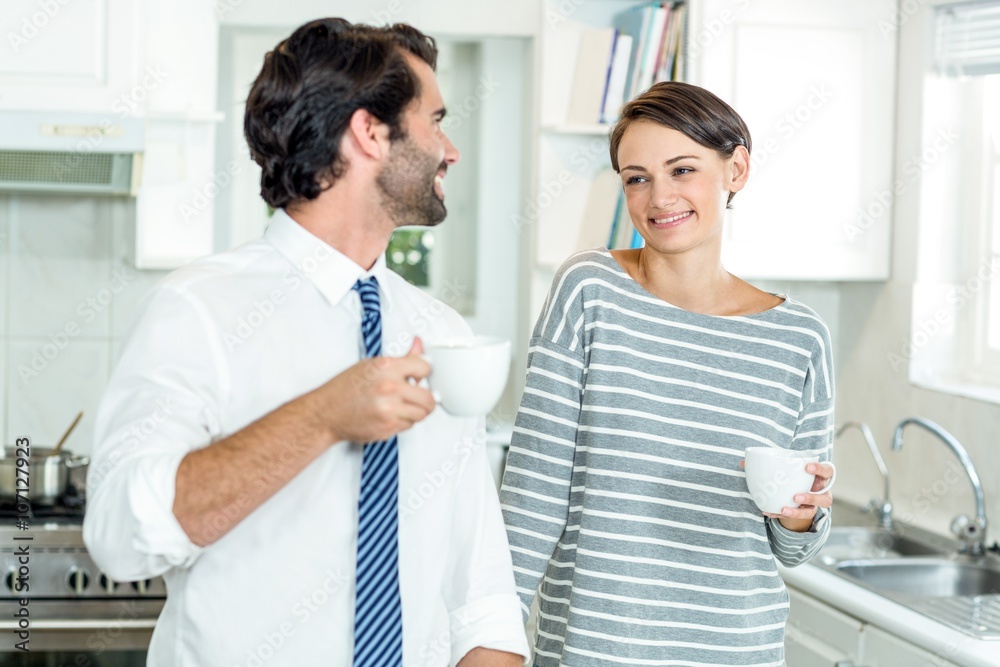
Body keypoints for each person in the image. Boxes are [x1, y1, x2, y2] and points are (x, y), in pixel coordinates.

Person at [83, 18, 528, 667]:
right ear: (368, 131)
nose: (450, 148)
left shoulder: (443, 336)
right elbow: (121, 537)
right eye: (435, 120)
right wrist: (323, 415)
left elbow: (483, 591)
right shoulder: (199, 308)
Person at [499, 81, 835, 666]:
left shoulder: (800, 338)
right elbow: (533, 494)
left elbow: (793, 546)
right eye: (637, 177)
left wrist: (803, 518)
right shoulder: (589, 289)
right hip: (596, 650)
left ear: (737, 170)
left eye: (682, 170)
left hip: (740, 649)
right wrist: (493, 638)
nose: (659, 197)